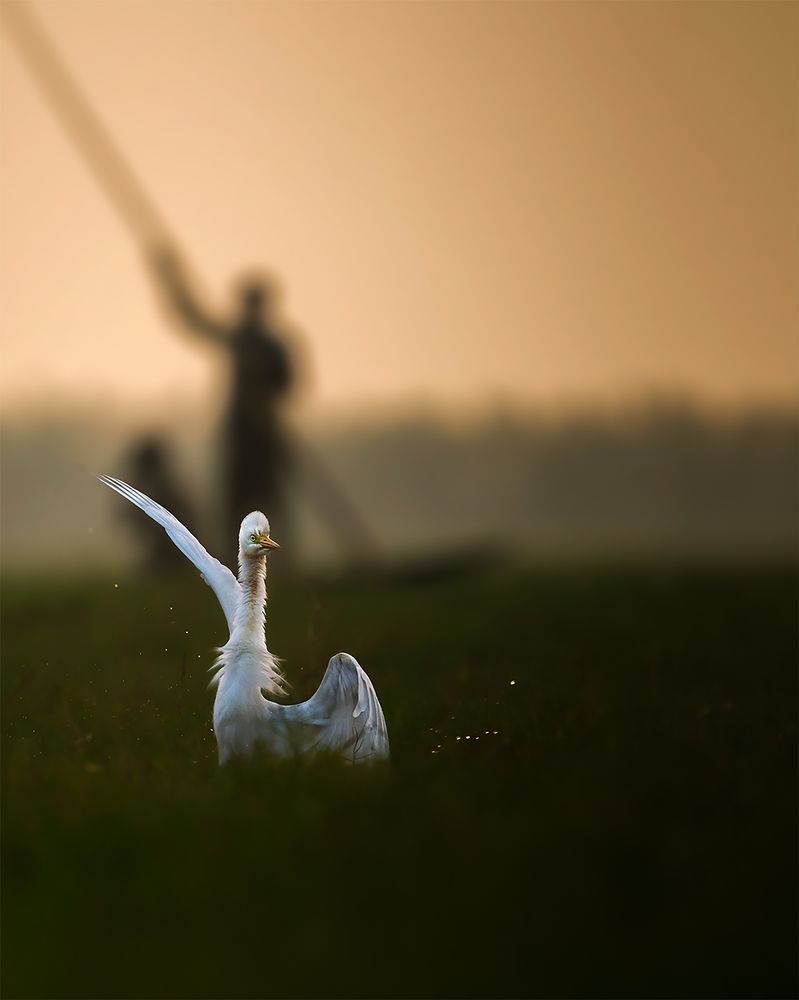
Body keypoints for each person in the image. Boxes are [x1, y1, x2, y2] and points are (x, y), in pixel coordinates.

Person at [151, 247, 295, 552]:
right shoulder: (238, 339)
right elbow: (192, 317)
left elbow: (287, 385)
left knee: (268, 501)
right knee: (235, 504)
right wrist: (170, 277)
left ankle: (279, 565)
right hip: (240, 434)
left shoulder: (271, 348)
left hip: (265, 437)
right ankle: (234, 563)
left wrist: (263, 387)